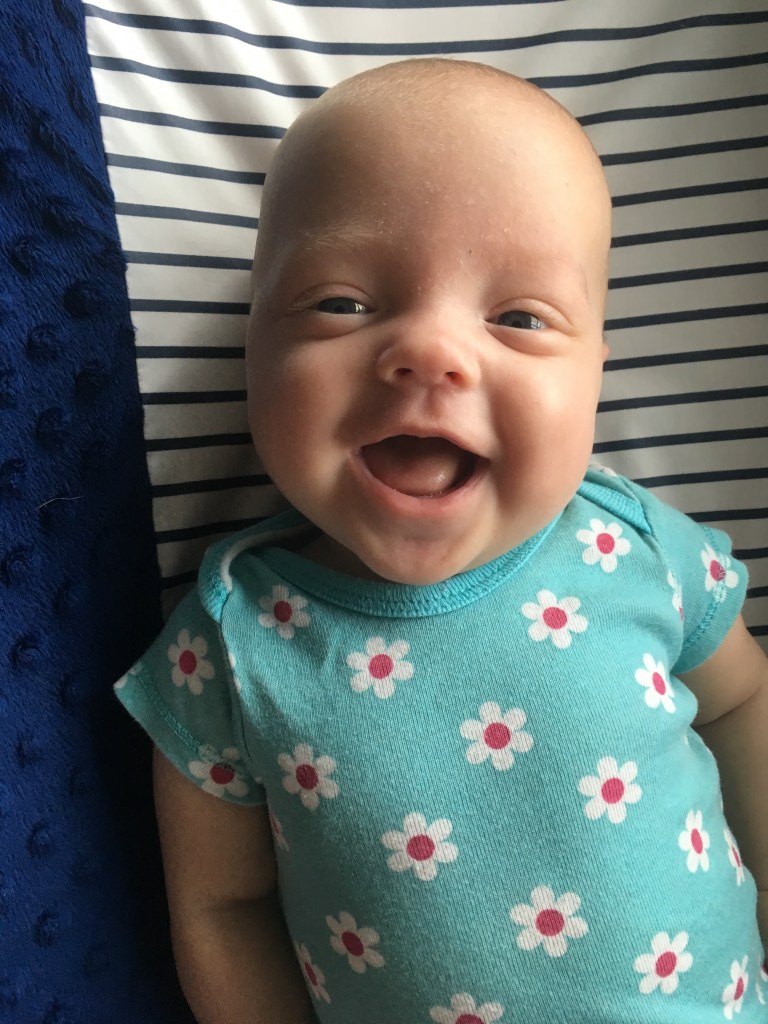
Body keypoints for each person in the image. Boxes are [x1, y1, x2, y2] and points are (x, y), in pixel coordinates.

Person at [115, 58, 768, 1022]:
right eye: (341, 303)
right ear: (254, 342)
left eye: (519, 318)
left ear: (595, 373)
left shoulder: (636, 549)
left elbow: (742, 702)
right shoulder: (232, 645)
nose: (430, 351)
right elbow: (222, 910)